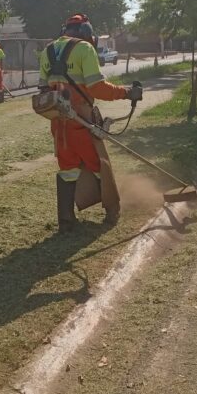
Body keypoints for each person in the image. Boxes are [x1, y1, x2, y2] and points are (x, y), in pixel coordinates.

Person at [38, 14, 140, 232]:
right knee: (99, 164)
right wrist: (127, 93)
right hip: (82, 121)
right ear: (85, 32)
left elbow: (43, 91)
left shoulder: (47, 51)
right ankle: (112, 213)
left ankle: (66, 221)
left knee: (68, 168)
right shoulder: (84, 49)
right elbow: (97, 88)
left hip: (58, 123)